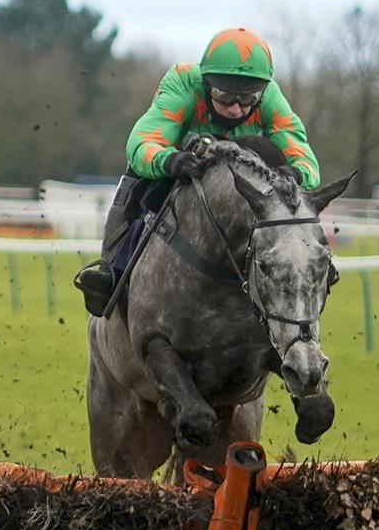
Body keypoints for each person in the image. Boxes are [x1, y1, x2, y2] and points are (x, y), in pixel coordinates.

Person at [74, 27, 320, 316]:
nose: (237, 109)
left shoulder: (269, 97)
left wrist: (293, 174)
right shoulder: (182, 83)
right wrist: (170, 160)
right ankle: (111, 267)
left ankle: (315, 264)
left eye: (248, 100)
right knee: (143, 182)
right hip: (184, 172)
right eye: (225, 97)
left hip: (239, 184)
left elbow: (308, 165)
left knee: (291, 200)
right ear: (205, 84)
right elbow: (141, 144)